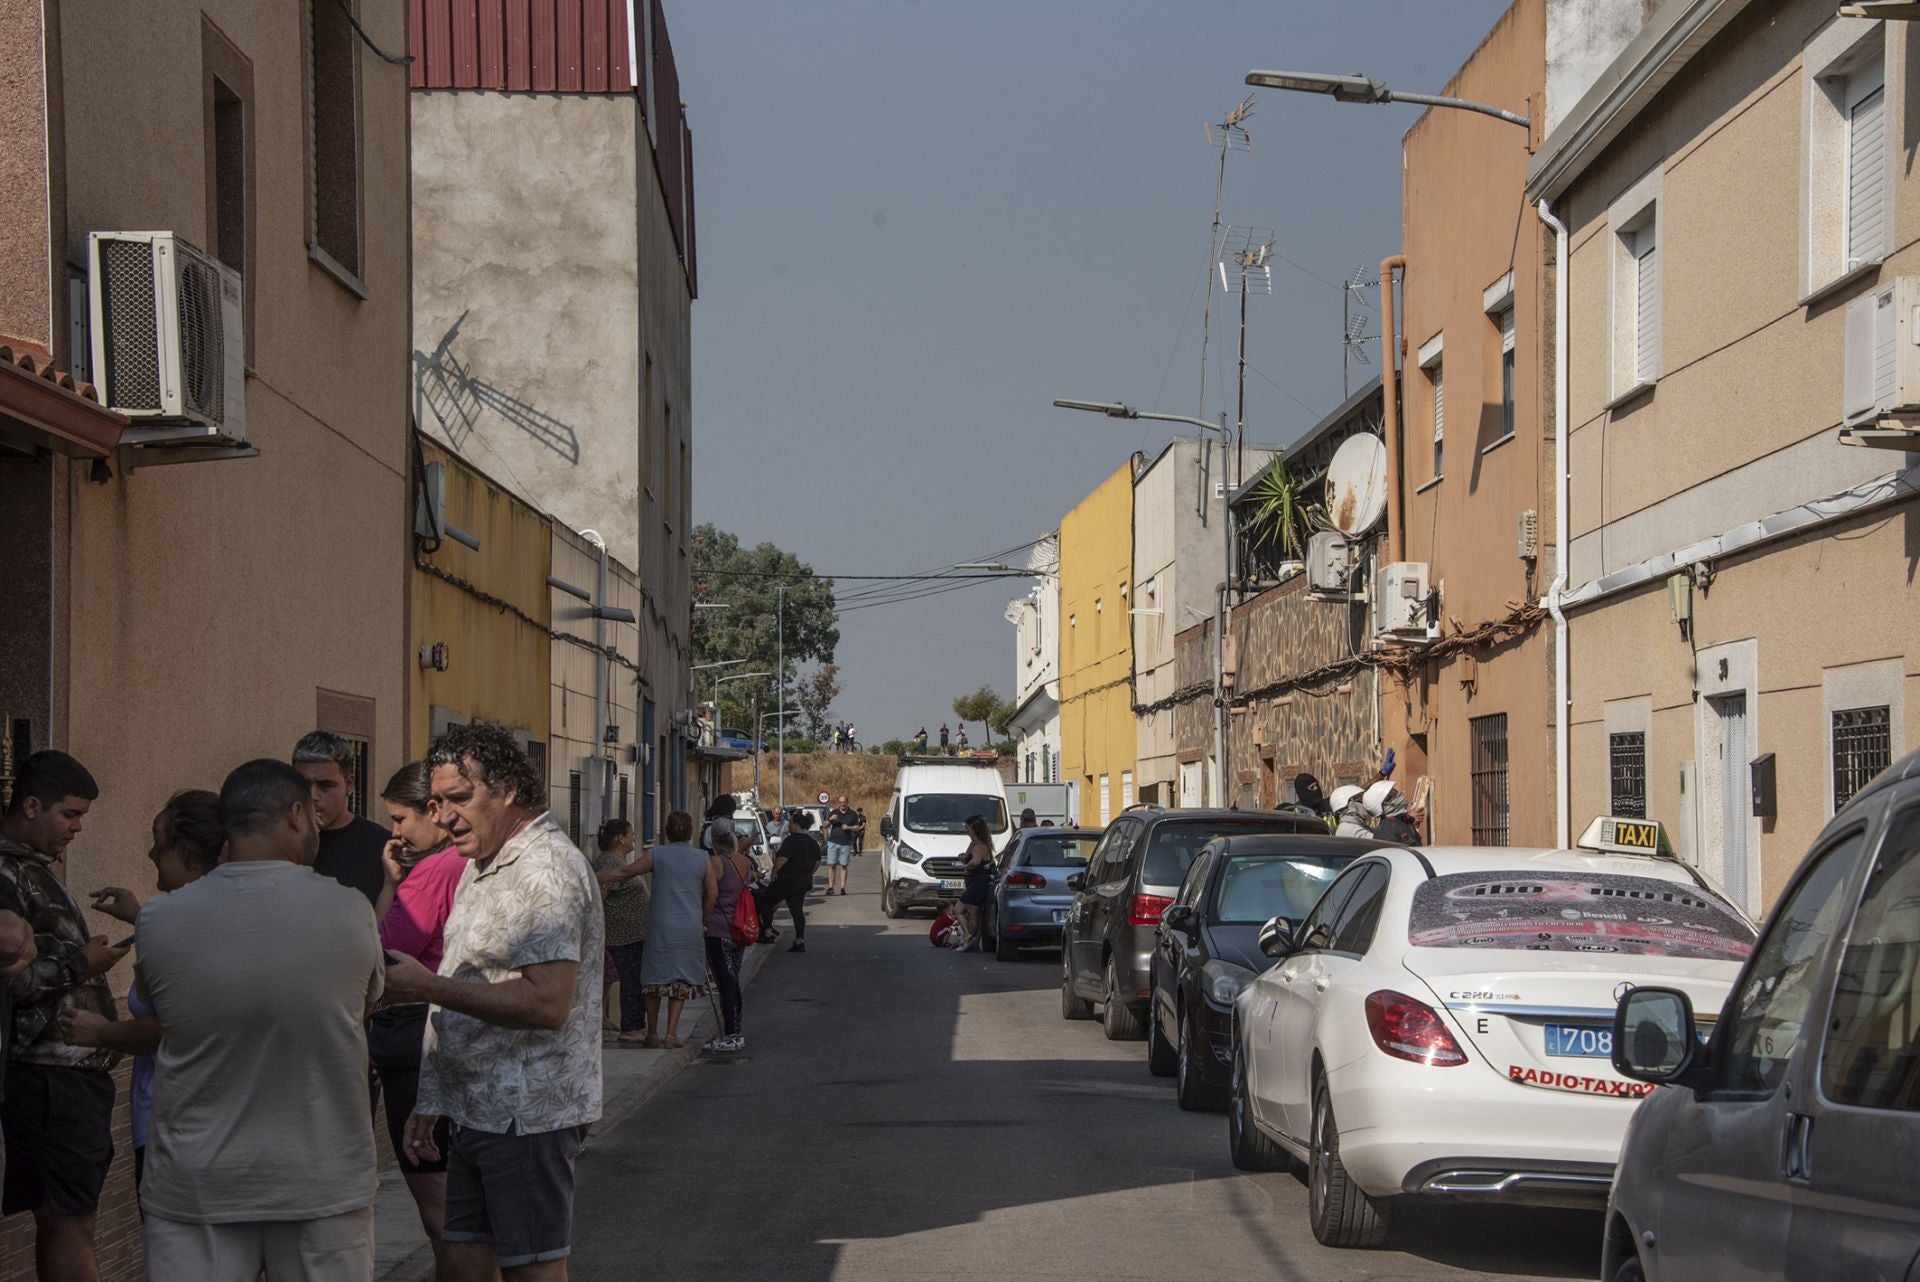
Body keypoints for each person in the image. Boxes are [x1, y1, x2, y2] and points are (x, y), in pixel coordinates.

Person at [135, 759, 385, 1282]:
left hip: (198, 1183)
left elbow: (160, 1014)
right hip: (322, 1179)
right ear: (297, 815)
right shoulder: (350, 910)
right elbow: (358, 1010)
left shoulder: (159, 919)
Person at [383, 722, 604, 1282]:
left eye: (460, 798)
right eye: (435, 802)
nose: (442, 816)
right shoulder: (483, 864)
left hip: (526, 1115)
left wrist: (426, 986)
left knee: (531, 1271)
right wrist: (435, 1094)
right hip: (476, 1108)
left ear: (506, 790)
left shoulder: (545, 871)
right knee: (460, 1261)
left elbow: (547, 1002)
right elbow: (467, 978)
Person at [0, 749, 126, 1282]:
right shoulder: (7, 874)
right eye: (69, 815)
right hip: (50, 1078)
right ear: (32, 805)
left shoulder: (29, 869)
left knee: (71, 1220)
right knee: (68, 1220)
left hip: (69, 1080)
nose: (76, 828)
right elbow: (17, 982)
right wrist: (82, 962)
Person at [67, 791, 224, 1196]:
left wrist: (100, 1032)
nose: (152, 852)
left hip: (177, 1124)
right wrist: (141, 917)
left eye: (159, 840)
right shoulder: (212, 916)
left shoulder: (178, 922)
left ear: (188, 851)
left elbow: (172, 1027)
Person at [369, 762, 467, 1273]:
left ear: (432, 811)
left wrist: (389, 886)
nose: (396, 832)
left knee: (438, 1208)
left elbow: (380, 952)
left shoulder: (434, 871)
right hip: (435, 1033)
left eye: (400, 818)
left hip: (414, 1037)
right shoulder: (454, 864)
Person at [598, 811, 710, 1048]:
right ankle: (671, 1032)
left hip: (660, 924)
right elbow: (713, 892)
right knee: (680, 978)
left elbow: (625, 872)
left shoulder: (656, 855)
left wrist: (593, 875)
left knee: (654, 977)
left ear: (666, 831)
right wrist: (702, 917)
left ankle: (651, 1032)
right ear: (690, 831)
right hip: (689, 925)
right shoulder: (702, 858)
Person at [294, 730, 391, 907]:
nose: (313, 795)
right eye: (303, 784)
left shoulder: (381, 847)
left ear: (349, 784)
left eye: (326, 785)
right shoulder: (280, 842)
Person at [589, 819, 650, 1046]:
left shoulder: (617, 861)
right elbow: (600, 899)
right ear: (619, 838)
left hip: (630, 935)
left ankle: (634, 1025)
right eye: (630, 834)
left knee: (633, 980)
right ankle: (631, 1027)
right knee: (630, 981)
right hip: (621, 936)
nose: (634, 837)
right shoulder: (608, 864)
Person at [702, 827, 753, 1053]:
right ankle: (735, 1028)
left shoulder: (714, 863)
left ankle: (732, 1033)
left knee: (725, 983)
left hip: (718, 928)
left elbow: (710, 893)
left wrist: (702, 918)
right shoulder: (745, 863)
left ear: (714, 843)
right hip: (739, 928)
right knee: (732, 979)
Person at [757, 811, 819, 953]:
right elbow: (817, 861)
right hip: (802, 882)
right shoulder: (811, 842)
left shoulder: (791, 841)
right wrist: (807, 872)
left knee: (766, 902)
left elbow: (782, 859)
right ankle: (799, 940)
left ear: (797, 825)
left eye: (790, 823)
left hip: (786, 880)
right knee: (797, 910)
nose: (789, 826)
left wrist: (774, 872)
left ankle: (767, 933)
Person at [954, 814, 996, 949]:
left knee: (959, 909)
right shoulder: (977, 844)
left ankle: (968, 935)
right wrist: (963, 857)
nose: (965, 830)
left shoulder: (979, 846)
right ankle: (972, 940)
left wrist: (966, 867)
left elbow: (975, 861)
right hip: (975, 882)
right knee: (973, 911)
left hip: (979, 882)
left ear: (973, 829)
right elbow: (967, 856)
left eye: (967, 827)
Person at [1364, 780, 1425, 846]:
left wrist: (1411, 819)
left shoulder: (1400, 820)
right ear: (1385, 805)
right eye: (1393, 794)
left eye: (1395, 792)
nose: (1398, 795)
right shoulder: (1386, 833)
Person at [823, 796, 856, 896]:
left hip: (845, 843)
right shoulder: (834, 812)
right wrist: (830, 819)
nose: (842, 804)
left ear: (847, 802)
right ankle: (831, 887)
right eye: (841, 802)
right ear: (839, 803)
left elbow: (857, 827)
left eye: (844, 802)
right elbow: (824, 825)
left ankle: (842, 888)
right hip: (833, 842)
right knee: (831, 865)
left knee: (843, 865)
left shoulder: (852, 814)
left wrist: (848, 827)